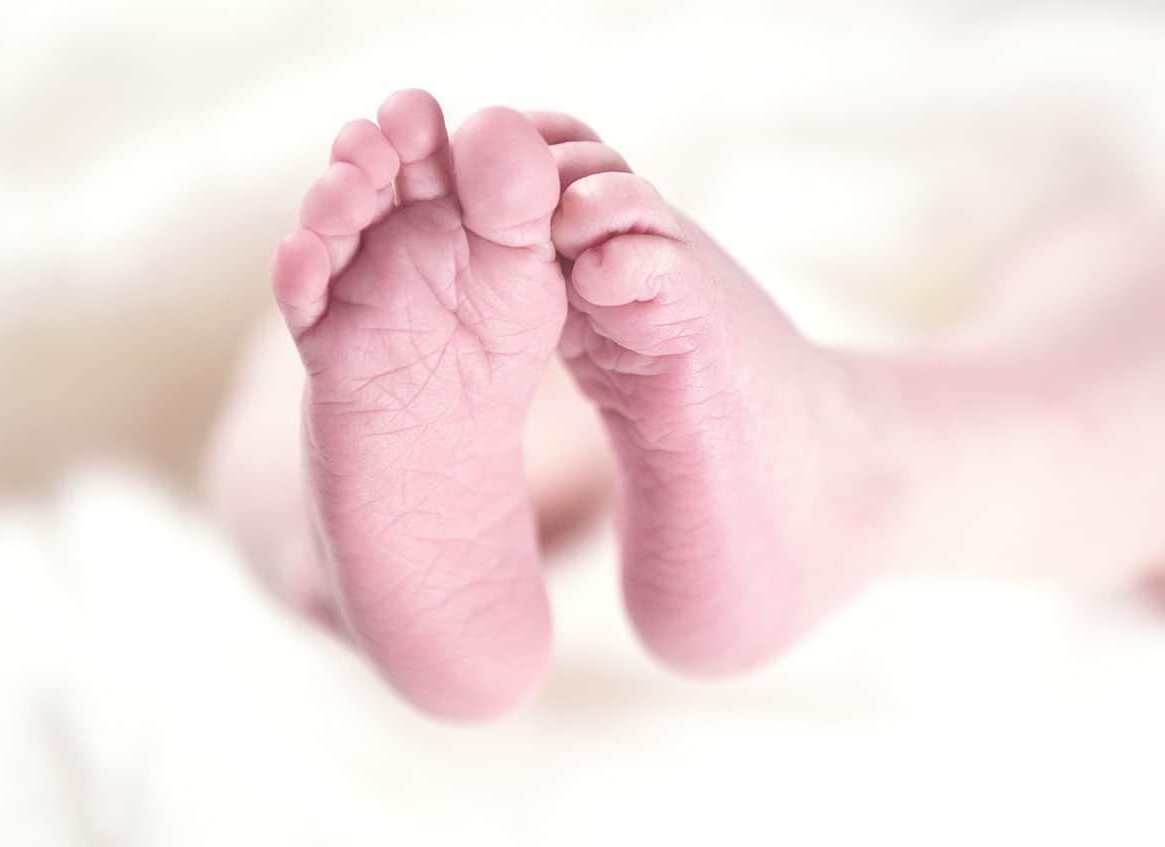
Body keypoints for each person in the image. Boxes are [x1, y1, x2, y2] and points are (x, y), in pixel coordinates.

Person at [205, 89, 1165, 721]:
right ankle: (355, 533)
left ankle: (323, 539)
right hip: (875, 308)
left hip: (904, 321)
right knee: (385, 303)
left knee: (316, 349)